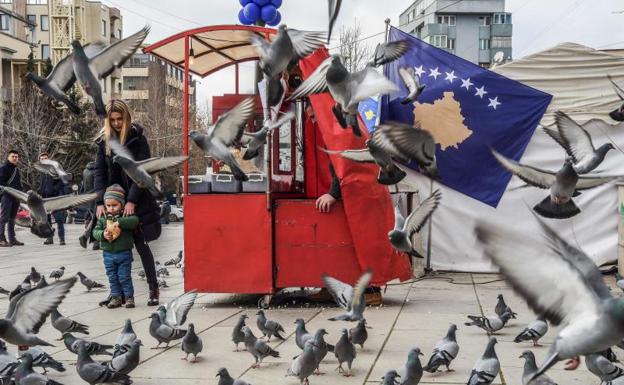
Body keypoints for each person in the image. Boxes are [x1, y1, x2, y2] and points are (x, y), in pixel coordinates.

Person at [94, 100, 161, 306]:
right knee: (112, 248)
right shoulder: (103, 141)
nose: (116, 123)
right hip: (112, 200)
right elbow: (99, 172)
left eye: (119, 119)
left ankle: (153, 289)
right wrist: (99, 202)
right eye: (112, 120)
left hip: (137, 198)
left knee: (142, 247)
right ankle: (118, 293)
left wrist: (132, 200)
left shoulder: (138, 139)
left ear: (126, 118)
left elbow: (142, 172)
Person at [92, 184, 138, 309]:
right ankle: (116, 297)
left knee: (124, 277)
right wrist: (103, 234)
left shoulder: (125, 216)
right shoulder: (103, 219)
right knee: (112, 277)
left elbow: (134, 221)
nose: (111, 208)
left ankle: (129, 297)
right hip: (108, 254)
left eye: (114, 205)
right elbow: (95, 232)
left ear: (122, 204)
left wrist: (119, 222)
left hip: (124, 253)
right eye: (108, 206)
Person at [37, 153, 67, 245]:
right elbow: (40, 184)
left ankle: (62, 239)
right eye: (42, 159)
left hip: (55, 197)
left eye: (45, 158)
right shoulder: (41, 171)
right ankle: (50, 238)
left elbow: (63, 181)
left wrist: (54, 190)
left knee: (59, 219)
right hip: (45, 198)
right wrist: (39, 191)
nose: (44, 160)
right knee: (47, 219)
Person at [0, 150, 24, 247]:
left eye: (16, 157)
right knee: (4, 218)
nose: (15, 158)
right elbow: (1, 182)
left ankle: (12, 239)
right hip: (7, 196)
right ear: (8, 157)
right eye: (13, 156)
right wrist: (12, 189)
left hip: (16, 196)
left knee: (12, 218)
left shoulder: (16, 169)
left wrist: (21, 193)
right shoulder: (3, 168)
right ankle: (1, 239)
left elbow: (18, 184)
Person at [79, 161, 100, 250]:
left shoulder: (85, 171)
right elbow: (98, 185)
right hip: (96, 197)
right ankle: (93, 241)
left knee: (95, 219)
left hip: (88, 198)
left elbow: (82, 186)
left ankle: (90, 239)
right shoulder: (97, 171)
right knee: (97, 220)